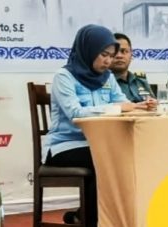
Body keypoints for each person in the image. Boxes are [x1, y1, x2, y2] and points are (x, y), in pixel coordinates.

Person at [46, 24, 150, 225]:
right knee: (105, 161)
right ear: (89, 50)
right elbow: (75, 113)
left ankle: (111, 218)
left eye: (111, 56)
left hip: (98, 144)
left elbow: (123, 103)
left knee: (128, 158)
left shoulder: (107, 77)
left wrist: (140, 106)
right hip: (65, 146)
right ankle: (93, 221)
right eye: (104, 55)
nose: (108, 61)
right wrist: (117, 108)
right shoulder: (64, 77)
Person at [112, 32, 156, 104]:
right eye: (115, 52)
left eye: (124, 51)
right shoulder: (103, 84)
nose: (119, 56)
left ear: (131, 54)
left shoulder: (141, 82)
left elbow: (154, 106)